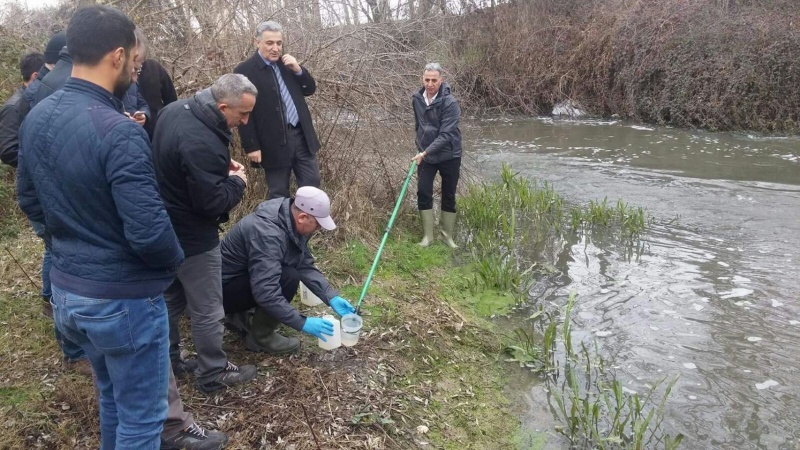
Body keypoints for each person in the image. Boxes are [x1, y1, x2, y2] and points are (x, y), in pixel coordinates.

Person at [16, 6, 183, 448]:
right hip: (121, 302)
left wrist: (68, 247)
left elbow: (29, 200)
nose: (135, 71)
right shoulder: (120, 132)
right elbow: (149, 233)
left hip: (70, 292)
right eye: (135, 62)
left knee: (112, 399)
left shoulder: (37, 117)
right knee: (144, 419)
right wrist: (174, 263)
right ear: (117, 55)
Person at [153, 73, 258, 394]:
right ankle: (213, 372)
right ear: (222, 106)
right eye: (242, 114)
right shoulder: (203, 142)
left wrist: (216, 168)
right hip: (194, 238)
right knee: (208, 309)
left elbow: (178, 165)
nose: (245, 120)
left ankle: (170, 361)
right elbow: (211, 203)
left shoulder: (173, 111)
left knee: (170, 300)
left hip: (161, 227)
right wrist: (237, 181)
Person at [220, 186, 355, 354]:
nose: (318, 229)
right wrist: (302, 322)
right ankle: (261, 338)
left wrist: (330, 295)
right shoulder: (268, 234)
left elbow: (303, 263)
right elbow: (266, 292)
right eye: (318, 224)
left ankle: (238, 317)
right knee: (288, 277)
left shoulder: (287, 218)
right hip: (218, 295)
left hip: (237, 280)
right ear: (303, 217)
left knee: (289, 272)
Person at [235, 20, 321, 199]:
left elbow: (309, 89)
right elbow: (242, 113)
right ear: (256, 42)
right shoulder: (245, 71)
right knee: (278, 193)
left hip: (301, 137)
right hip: (272, 142)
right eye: (269, 43)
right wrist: (252, 146)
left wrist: (298, 70)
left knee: (312, 187)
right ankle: (280, 226)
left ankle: (306, 226)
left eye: (279, 43)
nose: (275, 48)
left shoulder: (288, 65)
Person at [411, 62, 462, 249]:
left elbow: (446, 134)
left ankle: (446, 236)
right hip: (425, 155)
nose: (430, 83)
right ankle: (428, 236)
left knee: (449, 194)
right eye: (427, 79)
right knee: (423, 191)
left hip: (450, 154)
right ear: (422, 79)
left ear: (441, 80)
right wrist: (420, 149)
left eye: (434, 80)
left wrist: (424, 151)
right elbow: (419, 126)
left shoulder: (451, 103)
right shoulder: (416, 98)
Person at [1, 52, 43, 168]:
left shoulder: (37, 100)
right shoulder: (13, 107)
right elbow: (8, 151)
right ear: (35, 76)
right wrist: (39, 165)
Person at [137, 54, 178, 140]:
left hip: (159, 130)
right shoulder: (120, 72)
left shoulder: (154, 67)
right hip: (132, 132)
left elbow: (171, 99)